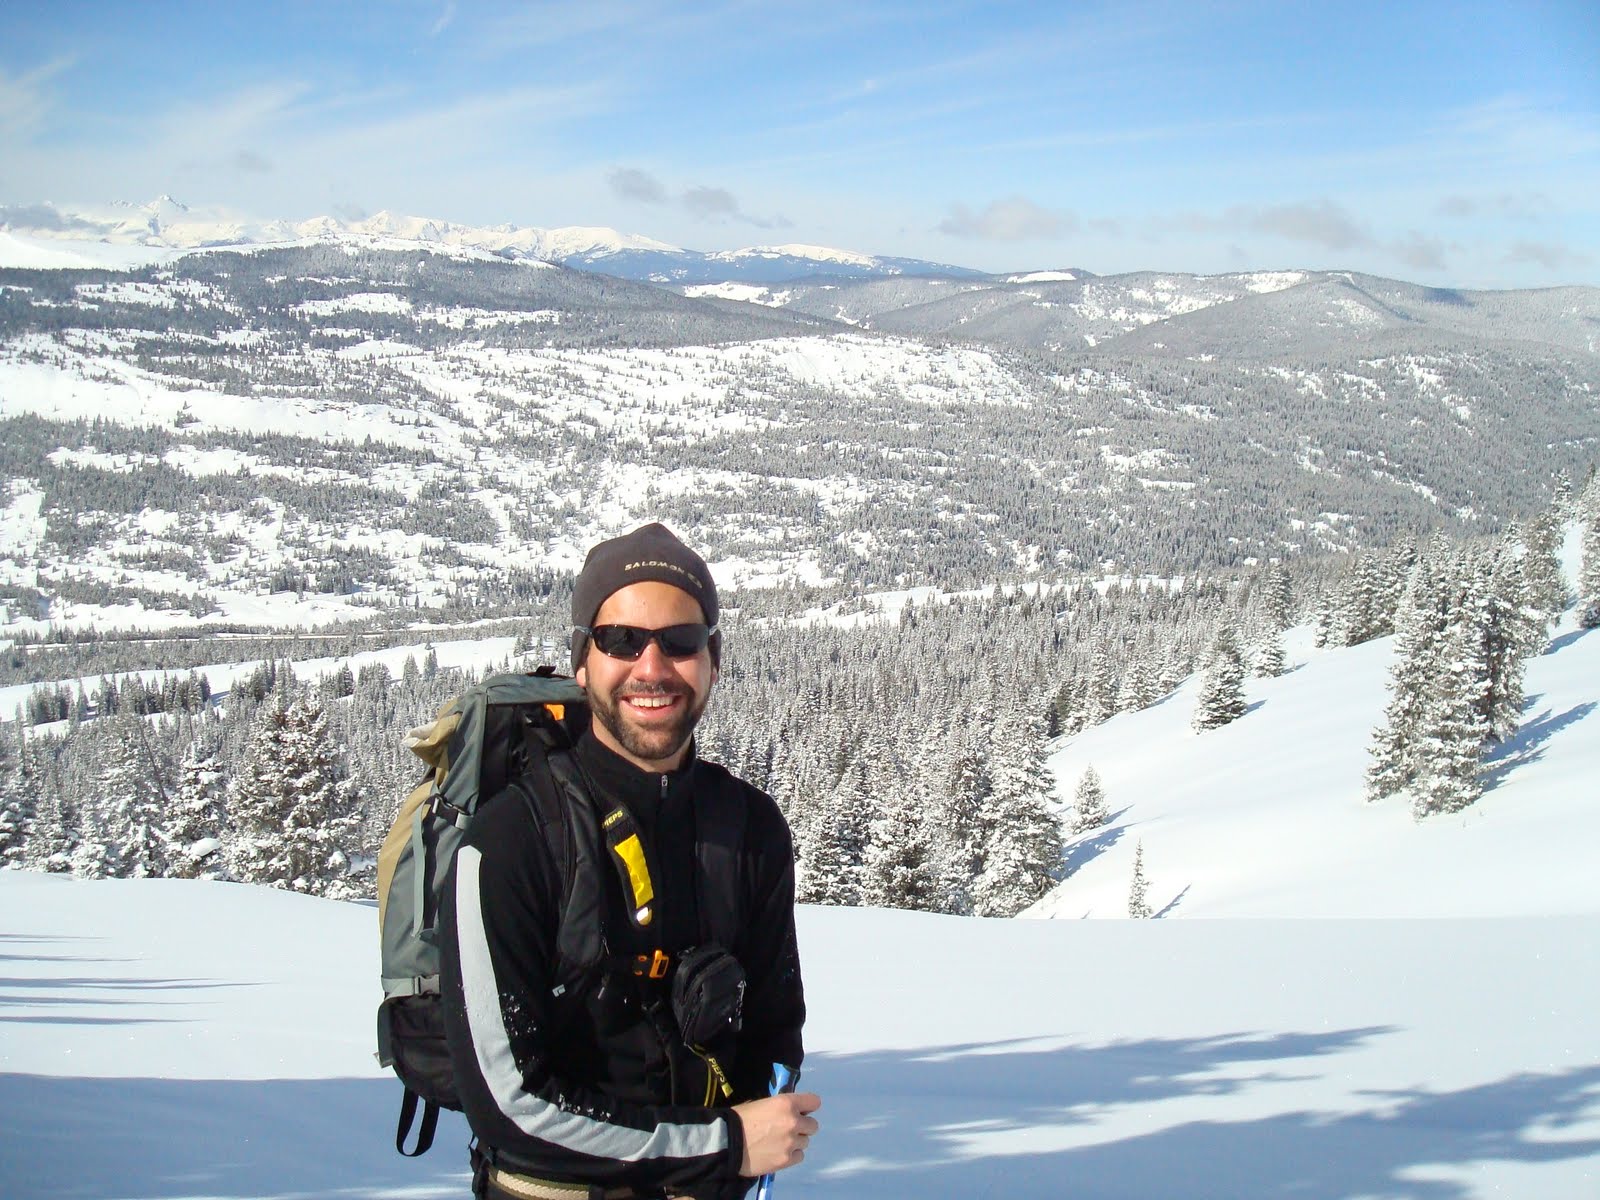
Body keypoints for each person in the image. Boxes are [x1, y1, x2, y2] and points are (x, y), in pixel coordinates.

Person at [441, 523, 819, 1200]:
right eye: (621, 640)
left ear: (712, 659)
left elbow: (775, 1044)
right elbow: (508, 1106)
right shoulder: (511, 840)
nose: (652, 668)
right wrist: (722, 1145)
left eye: (680, 641)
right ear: (583, 662)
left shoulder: (752, 830)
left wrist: (736, 1145)